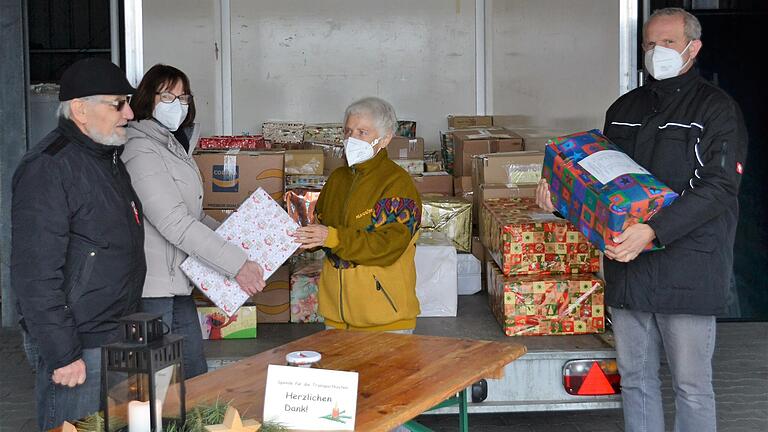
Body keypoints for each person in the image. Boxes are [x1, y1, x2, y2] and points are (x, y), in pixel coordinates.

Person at [536, 8, 747, 432]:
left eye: (668, 43)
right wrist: (561, 198)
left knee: (691, 385)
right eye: (650, 44)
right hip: (628, 269)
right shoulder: (623, 109)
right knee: (635, 381)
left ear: (693, 48)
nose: (657, 52)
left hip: (687, 267)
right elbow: (600, 186)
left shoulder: (716, 109)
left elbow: (719, 187)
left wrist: (654, 231)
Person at [11, 58, 146, 430]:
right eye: (118, 103)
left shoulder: (106, 159)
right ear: (80, 110)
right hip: (78, 344)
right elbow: (34, 274)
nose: (129, 113)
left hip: (114, 334)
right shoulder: (48, 168)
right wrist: (63, 352)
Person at [122, 64, 266, 379]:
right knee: (156, 388)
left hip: (178, 283)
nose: (178, 104)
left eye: (183, 97)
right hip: (152, 288)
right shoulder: (140, 148)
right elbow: (174, 222)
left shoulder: (172, 145)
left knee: (195, 379)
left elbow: (195, 216)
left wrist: (246, 244)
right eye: (168, 96)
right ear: (148, 98)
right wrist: (237, 263)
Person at [293, 97, 422, 332]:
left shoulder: (397, 184)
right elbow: (322, 226)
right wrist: (303, 239)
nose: (352, 139)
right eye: (348, 131)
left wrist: (330, 237)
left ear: (385, 139)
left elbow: (388, 246)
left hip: (385, 320)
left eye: (362, 132)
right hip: (335, 317)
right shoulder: (337, 179)